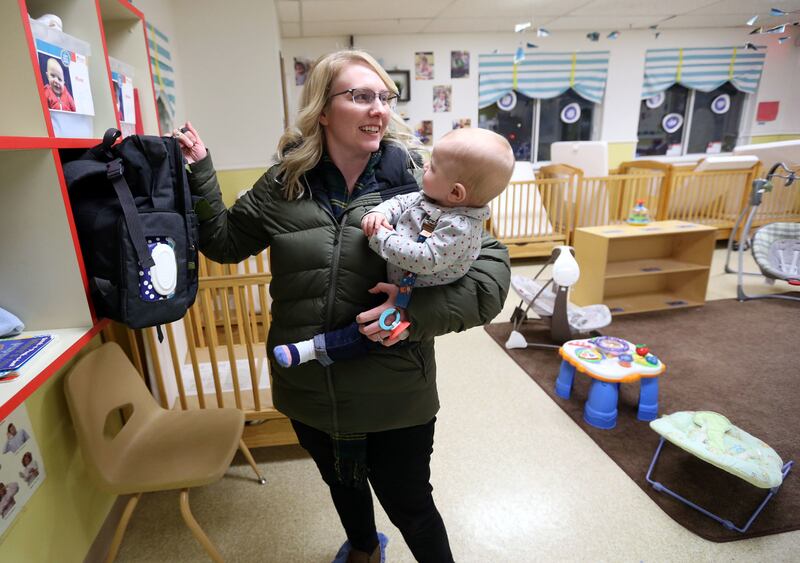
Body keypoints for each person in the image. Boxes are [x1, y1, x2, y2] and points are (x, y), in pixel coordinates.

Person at [174, 49, 510, 563]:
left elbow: (490, 278)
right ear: (323, 110)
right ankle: (363, 550)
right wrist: (200, 170)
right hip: (309, 385)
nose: (379, 108)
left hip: (394, 388)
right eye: (360, 96)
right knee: (342, 485)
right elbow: (222, 242)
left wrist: (412, 314)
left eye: (385, 97)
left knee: (410, 504)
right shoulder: (284, 183)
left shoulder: (421, 181)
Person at [273, 127, 513, 368]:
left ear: (455, 192)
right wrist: (379, 213)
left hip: (415, 296)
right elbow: (400, 202)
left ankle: (312, 349)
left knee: (370, 332)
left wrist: (381, 237)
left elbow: (425, 259)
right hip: (400, 284)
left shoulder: (459, 227)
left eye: (433, 167)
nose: (425, 167)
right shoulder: (432, 198)